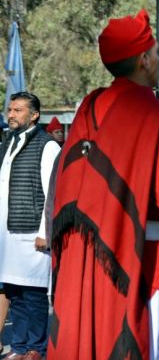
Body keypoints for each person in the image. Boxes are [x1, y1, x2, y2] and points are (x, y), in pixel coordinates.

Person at [47, 9, 159, 360]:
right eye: (156, 53)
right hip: (142, 263)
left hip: (80, 262)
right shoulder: (158, 115)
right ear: (144, 59)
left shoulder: (88, 106)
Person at [0, 92, 60, 360]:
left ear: (34, 115)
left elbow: (53, 191)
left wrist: (44, 232)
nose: (11, 114)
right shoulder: (9, 143)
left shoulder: (47, 145)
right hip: (8, 232)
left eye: (18, 110)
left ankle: (36, 347)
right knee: (15, 293)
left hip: (32, 233)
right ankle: (20, 346)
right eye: (10, 109)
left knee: (33, 294)